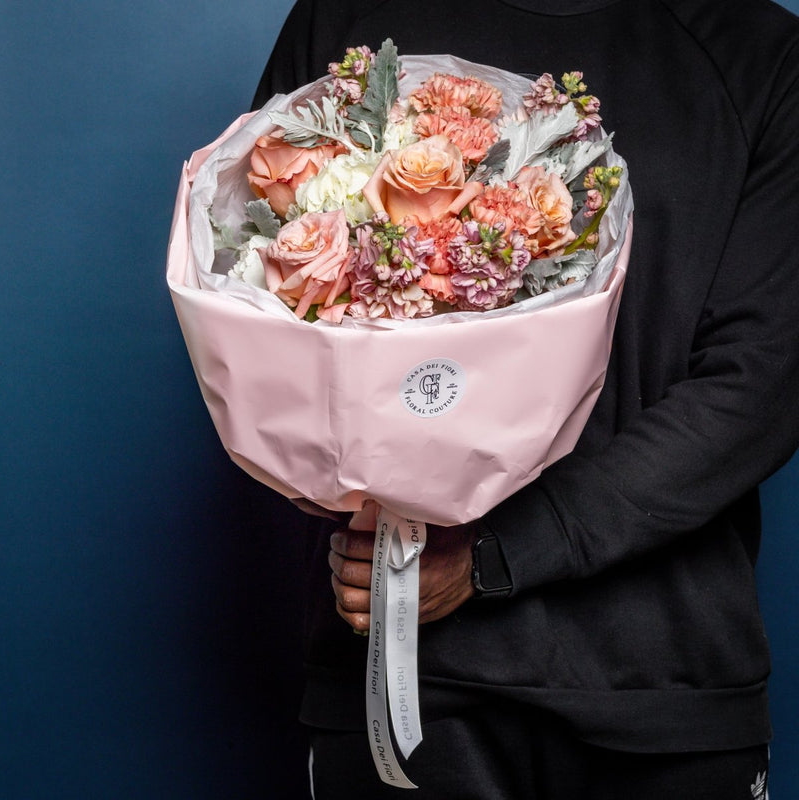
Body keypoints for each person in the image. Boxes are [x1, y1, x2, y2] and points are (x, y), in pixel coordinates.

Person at [252, 1, 799, 797]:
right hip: (402, 686)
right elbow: (259, 304)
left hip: (660, 693)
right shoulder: (346, 17)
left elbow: (761, 385)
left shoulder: (758, 54)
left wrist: (491, 556)